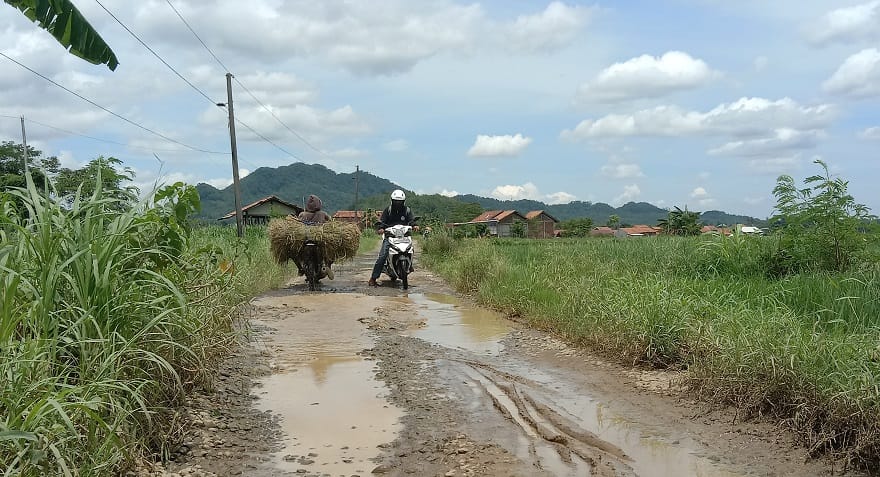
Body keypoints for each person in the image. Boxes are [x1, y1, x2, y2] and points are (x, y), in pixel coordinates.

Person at [369, 189, 416, 286]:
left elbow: (411, 220)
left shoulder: (407, 210)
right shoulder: (388, 210)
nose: (398, 203)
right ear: (392, 201)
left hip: (404, 236)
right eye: (396, 201)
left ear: (403, 201)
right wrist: (381, 228)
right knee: (382, 256)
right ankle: (373, 278)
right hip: (390, 236)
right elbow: (382, 221)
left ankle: (410, 265)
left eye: (400, 202)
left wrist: (415, 225)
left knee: (411, 249)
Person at [296, 194, 334, 280]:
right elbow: (331, 223)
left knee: (296, 253)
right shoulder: (323, 214)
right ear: (318, 204)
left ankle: (300, 269)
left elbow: (297, 225)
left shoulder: (302, 214)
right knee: (328, 251)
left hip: (305, 240)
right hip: (318, 240)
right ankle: (328, 266)